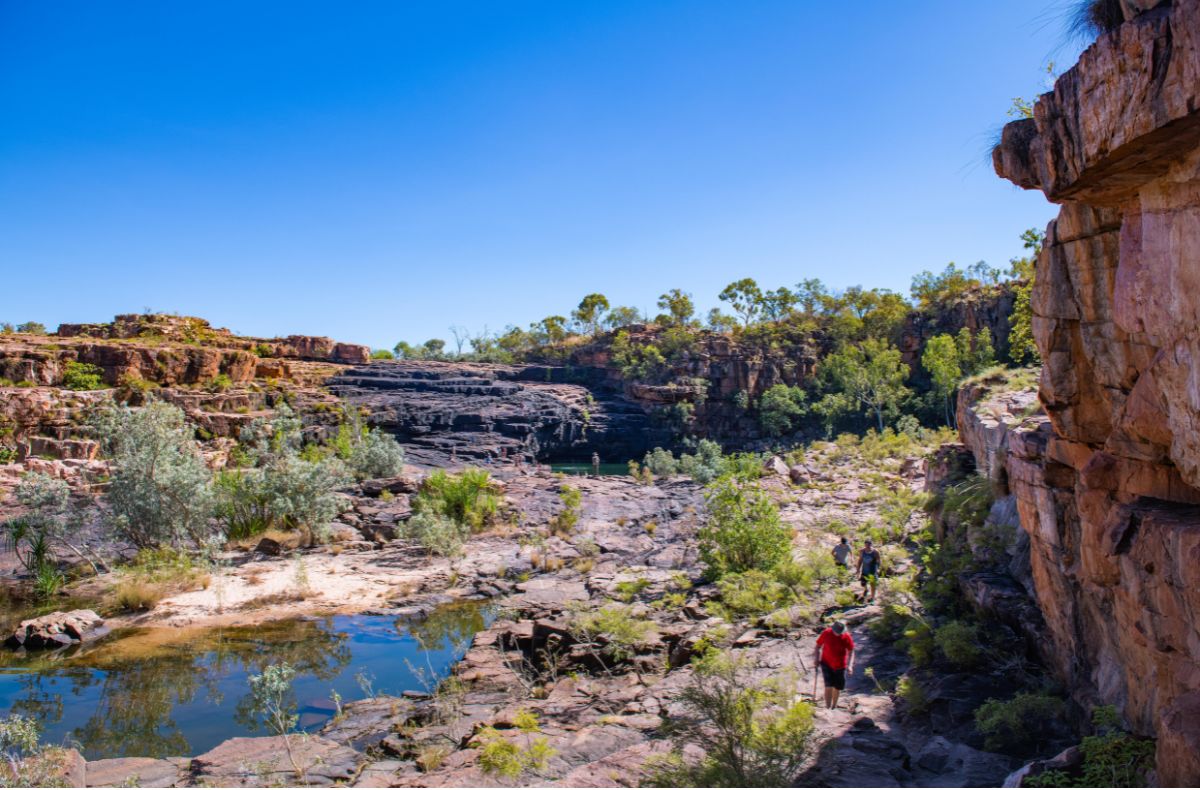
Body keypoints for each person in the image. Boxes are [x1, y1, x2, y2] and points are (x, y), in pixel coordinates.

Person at [814, 620, 855, 709]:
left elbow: (851, 650)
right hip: (826, 663)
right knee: (828, 686)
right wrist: (816, 658)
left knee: (837, 687)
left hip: (840, 665)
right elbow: (818, 646)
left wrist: (850, 665)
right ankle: (828, 707)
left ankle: (834, 706)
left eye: (840, 632)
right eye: (837, 632)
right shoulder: (826, 633)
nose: (839, 634)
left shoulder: (846, 636)